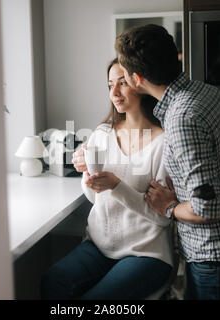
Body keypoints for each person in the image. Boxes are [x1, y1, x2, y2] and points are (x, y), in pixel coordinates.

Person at [114, 24, 220, 300]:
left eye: (123, 76)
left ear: (136, 78)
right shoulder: (208, 93)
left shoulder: (182, 118)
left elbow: (208, 208)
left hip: (216, 260)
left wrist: (169, 207)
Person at [40, 58, 175, 300]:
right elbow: (95, 197)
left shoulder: (163, 142)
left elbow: (162, 217)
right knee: (53, 281)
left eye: (122, 83)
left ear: (140, 83)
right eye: (109, 84)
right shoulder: (102, 134)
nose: (114, 92)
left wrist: (116, 185)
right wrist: (87, 175)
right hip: (99, 247)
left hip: (146, 253)